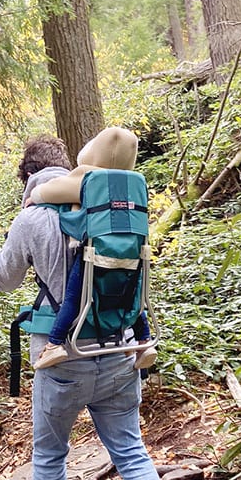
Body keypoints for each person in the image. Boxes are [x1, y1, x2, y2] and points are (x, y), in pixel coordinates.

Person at [0, 132, 187, 480]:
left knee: (50, 456)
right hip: (120, 352)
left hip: (62, 359)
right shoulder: (117, 209)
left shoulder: (32, 215)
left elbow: (3, 281)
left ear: (27, 175)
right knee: (133, 454)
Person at [26, 126, 156, 371]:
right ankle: (144, 341)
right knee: (134, 295)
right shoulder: (133, 184)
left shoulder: (91, 177)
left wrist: (35, 195)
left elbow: (51, 191)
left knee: (74, 297)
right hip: (133, 254)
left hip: (95, 252)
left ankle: (54, 344)